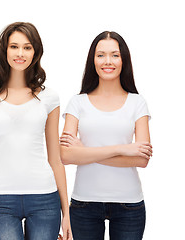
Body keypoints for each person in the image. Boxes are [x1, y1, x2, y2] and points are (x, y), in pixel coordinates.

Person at [0, 22, 72, 240]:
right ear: (4, 50)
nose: (20, 53)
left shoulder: (49, 97)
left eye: (27, 47)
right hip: (0, 200)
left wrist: (67, 212)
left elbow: (56, 159)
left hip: (45, 198)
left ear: (35, 52)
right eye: (14, 47)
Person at [60, 31, 152, 240]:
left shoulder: (137, 103)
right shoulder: (77, 102)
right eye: (101, 55)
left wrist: (84, 151)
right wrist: (122, 149)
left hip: (129, 204)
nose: (107, 61)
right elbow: (66, 156)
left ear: (123, 60)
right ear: (92, 60)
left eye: (115, 55)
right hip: (84, 203)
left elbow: (141, 159)